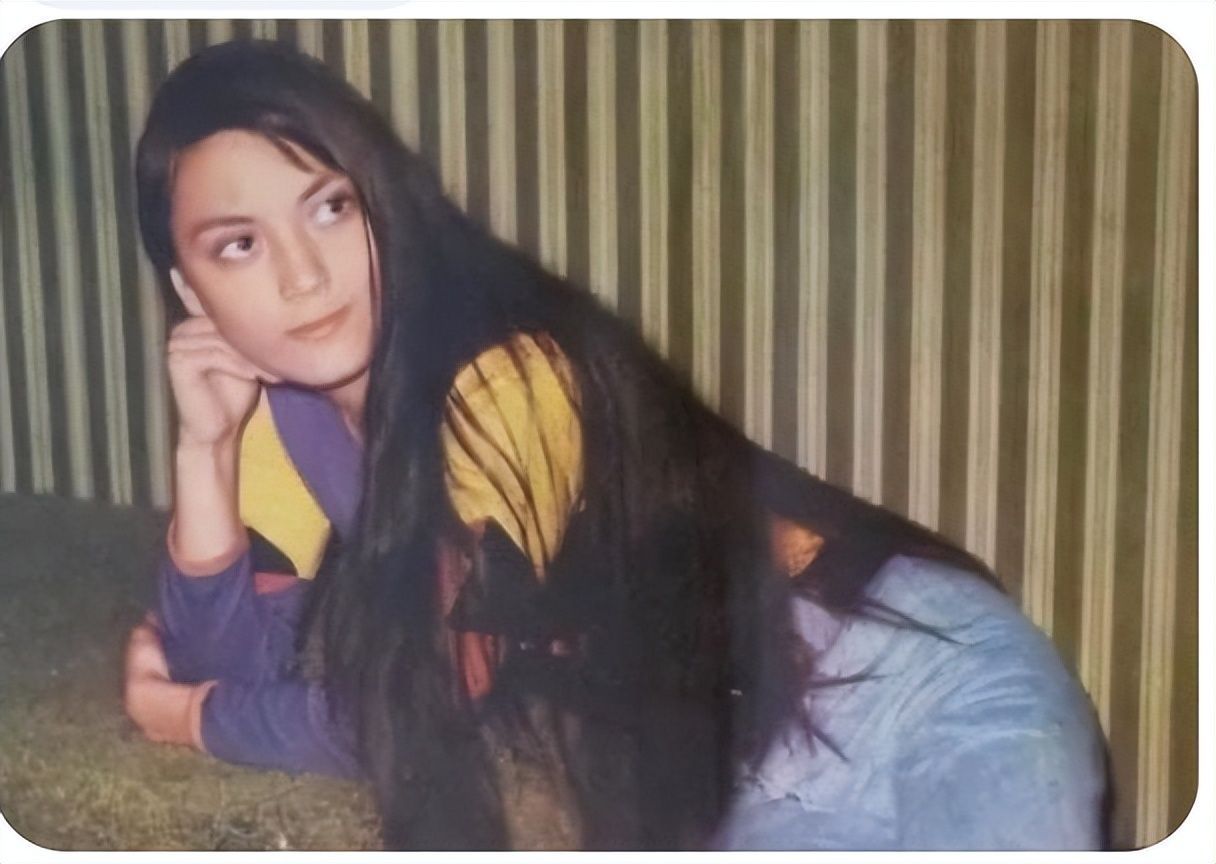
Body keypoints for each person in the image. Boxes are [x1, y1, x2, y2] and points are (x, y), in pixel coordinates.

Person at [121, 39, 1108, 851]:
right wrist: (206, 454)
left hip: (920, 690)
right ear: (190, 289)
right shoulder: (286, 416)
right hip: (746, 768)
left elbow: (423, 699)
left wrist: (192, 719)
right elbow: (229, 659)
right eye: (238, 244)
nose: (302, 277)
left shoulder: (506, 381)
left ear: (386, 200)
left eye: (331, 207)